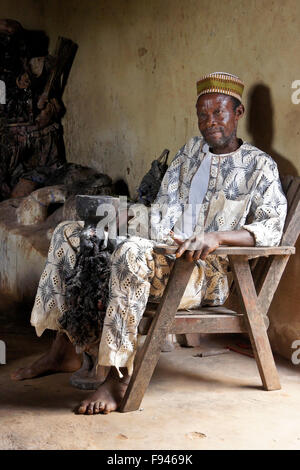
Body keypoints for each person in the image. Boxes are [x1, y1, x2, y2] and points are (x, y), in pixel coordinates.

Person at [11, 72, 287, 414]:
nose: (209, 122)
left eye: (219, 113)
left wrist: (215, 237)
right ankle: (63, 351)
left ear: (238, 113)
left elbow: (270, 228)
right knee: (72, 234)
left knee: (127, 253)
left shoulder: (259, 166)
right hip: (163, 252)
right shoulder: (189, 154)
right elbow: (162, 213)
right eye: (202, 114)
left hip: (205, 272)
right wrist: (128, 218)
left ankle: (117, 377)